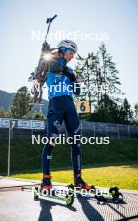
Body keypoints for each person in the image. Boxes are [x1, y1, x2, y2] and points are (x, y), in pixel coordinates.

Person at [41, 39, 93, 191]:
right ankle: (46, 179)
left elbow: (76, 92)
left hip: (70, 106)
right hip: (56, 105)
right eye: (71, 53)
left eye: (73, 54)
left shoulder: (69, 71)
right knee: (51, 141)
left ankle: (78, 179)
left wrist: (76, 81)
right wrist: (57, 55)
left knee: (77, 142)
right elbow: (57, 65)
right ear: (63, 51)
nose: (73, 56)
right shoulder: (52, 62)